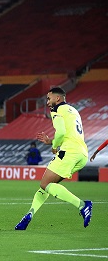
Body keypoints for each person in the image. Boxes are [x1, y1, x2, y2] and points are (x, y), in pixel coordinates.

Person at [15, 87, 92, 230]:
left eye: (49, 98)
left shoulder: (56, 110)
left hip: (68, 152)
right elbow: (69, 134)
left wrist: (54, 146)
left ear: (57, 98)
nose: (47, 102)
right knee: (47, 186)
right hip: (81, 154)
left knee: (45, 184)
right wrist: (52, 141)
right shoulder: (73, 111)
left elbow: (61, 133)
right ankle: (29, 215)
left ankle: (82, 205)